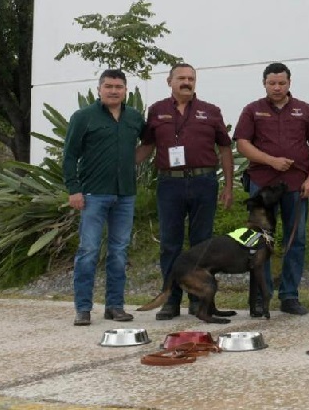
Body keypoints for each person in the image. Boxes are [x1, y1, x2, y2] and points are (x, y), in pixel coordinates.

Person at [138, 63, 235, 320]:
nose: (186, 82)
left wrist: (228, 186)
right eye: (181, 78)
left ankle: (199, 300)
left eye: (191, 78)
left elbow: (225, 149)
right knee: (170, 243)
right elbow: (147, 146)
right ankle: (171, 301)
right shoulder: (157, 110)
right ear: (169, 81)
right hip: (170, 184)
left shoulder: (211, 111)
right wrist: (120, 166)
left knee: (202, 244)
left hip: (204, 183)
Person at [234, 62, 309, 315]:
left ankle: (290, 296)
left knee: (296, 240)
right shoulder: (252, 110)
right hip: (262, 184)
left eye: (281, 83)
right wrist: (271, 161)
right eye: (272, 83)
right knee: (258, 240)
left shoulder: (305, 110)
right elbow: (242, 144)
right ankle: (261, 297)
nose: (277, 87)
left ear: (289, 83)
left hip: (296, 185)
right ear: (264, 83)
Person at [63, 69, 146, 326]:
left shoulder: (134, 117)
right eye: (108, 86)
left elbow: (150, 142)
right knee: (88, 251)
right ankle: (83, 309)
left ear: (125, 90)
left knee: (119, 252)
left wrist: (132, 160)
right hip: (93, 195)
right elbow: (69, 156)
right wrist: (74, 189)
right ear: (99, 89)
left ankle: (115, 306)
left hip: (125, 194)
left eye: (118, 87)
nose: (113, 91)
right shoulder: (83, 117)